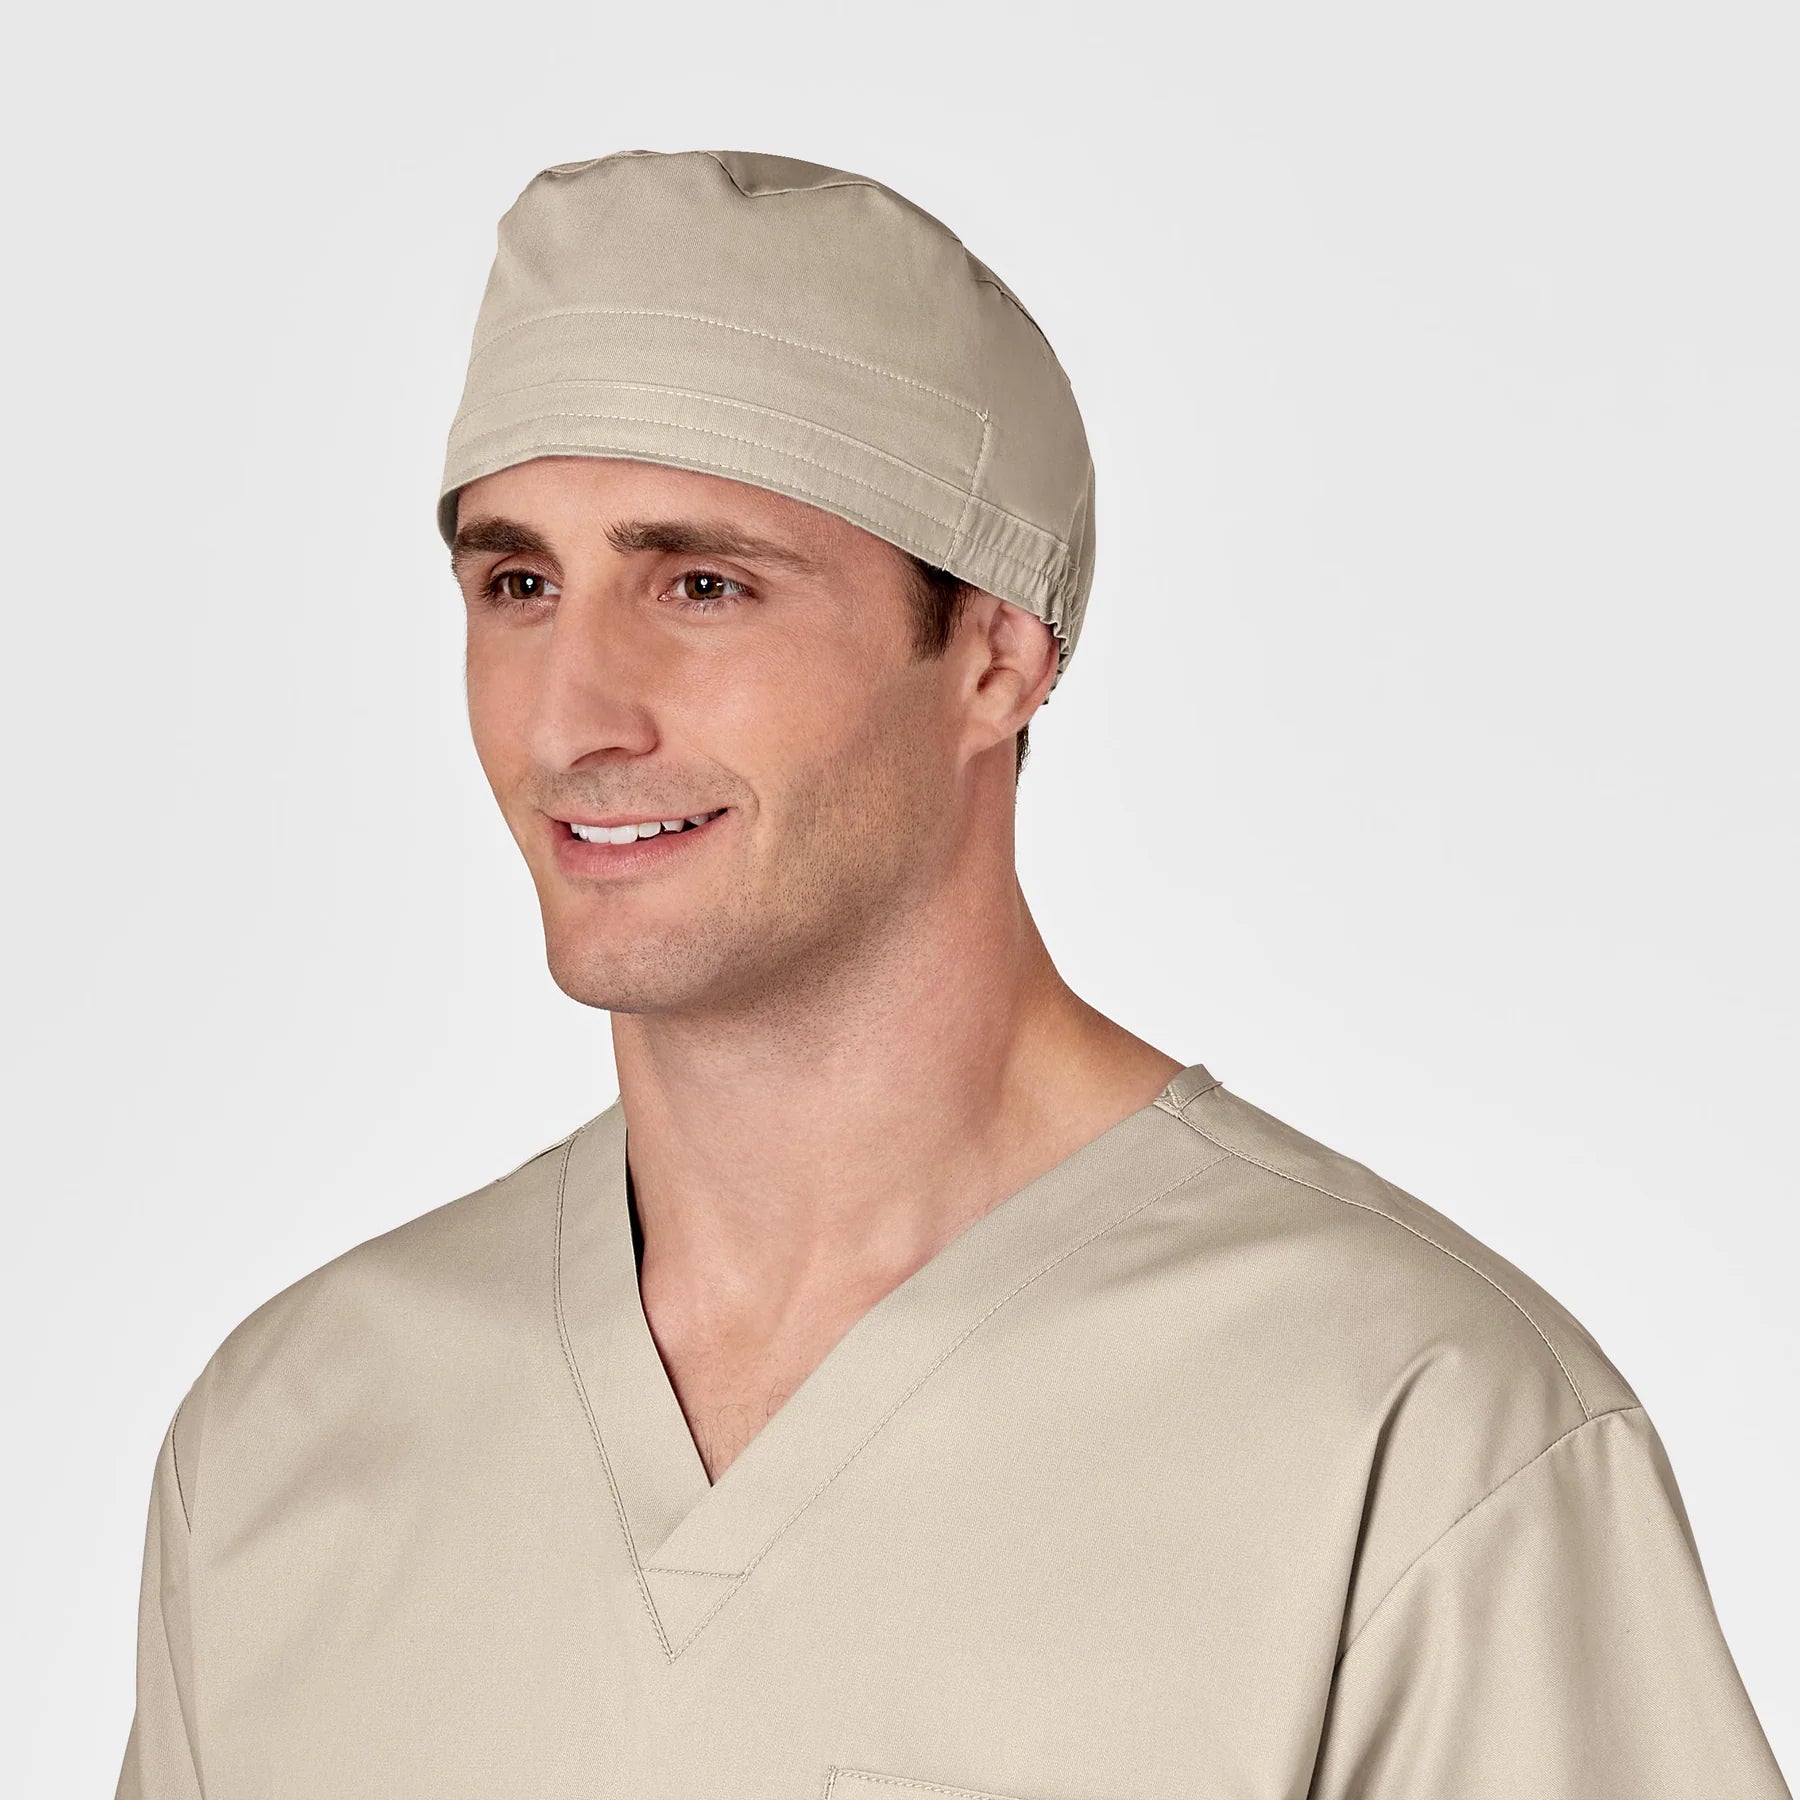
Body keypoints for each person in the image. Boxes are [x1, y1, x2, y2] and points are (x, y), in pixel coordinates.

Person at [115, 149, 1791, 1800]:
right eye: (518, 585)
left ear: (998, 655)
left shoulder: (1407, 1434)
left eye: (703, 585)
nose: (570, 716)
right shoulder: (286, 1438)